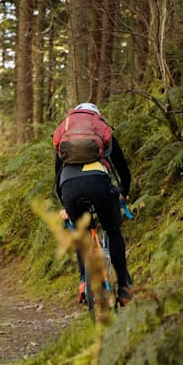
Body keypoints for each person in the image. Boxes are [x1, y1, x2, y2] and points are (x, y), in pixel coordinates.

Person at [53, 102, 133, 305]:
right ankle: (124, 289)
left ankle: (83, 283)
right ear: (95, 117)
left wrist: (65, 206)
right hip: (99, 183)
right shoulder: (101, 129)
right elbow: (122, 169)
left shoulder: (66, 131)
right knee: (113, 231)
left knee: (81, 233)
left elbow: (57, 177)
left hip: (69, 186)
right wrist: (123, 192)